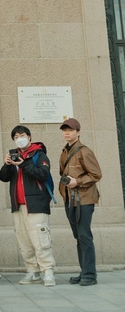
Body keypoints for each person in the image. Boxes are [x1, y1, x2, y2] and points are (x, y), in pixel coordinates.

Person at [0, 125, 56, 287]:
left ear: (29, 137)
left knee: (40, 239)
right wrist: (7, 164)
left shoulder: (39, 154)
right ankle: (32, 270)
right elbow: (3, 177)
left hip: (36, 204)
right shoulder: (14, 155)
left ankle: (48, 271)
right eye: (16, 137)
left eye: (22, 135)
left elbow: (42, 174)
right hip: (18, 205)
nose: (19, 139)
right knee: (24, 240)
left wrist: (23, 164)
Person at [59, 118, 102, 286]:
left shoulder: (84, 151)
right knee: (78, 236)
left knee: (84, 236)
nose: (67, 133)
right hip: (70, 199)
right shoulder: (65, 150)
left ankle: (90, 275)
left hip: (84, 199)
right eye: (64, 130)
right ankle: (84, 271)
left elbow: (96, 174)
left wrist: (78, 181)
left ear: (78, 132)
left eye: (70, 130)